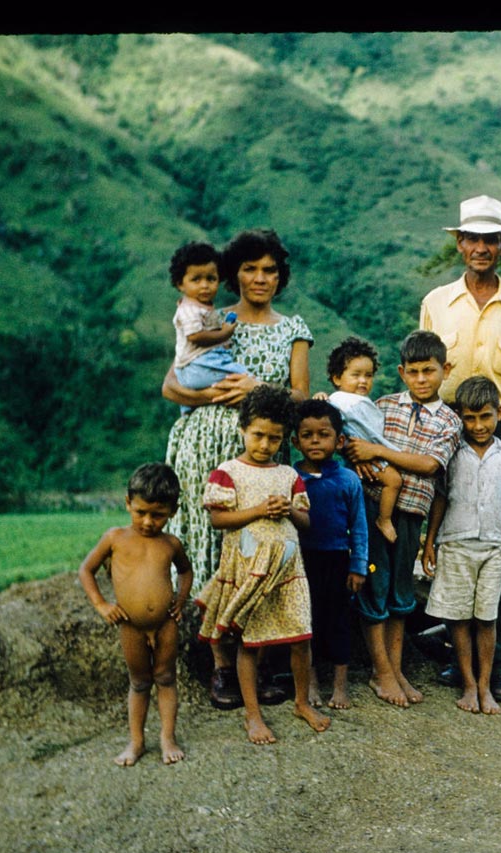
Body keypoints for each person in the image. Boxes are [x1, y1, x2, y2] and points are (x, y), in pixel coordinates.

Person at [160, 228, 313, 710]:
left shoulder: (293, 329)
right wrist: (210, 395)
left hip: (263, 455)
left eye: (269, 270)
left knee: (261, 550)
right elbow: (170, 385)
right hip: (204, 445)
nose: (259, 278)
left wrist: (256, 387)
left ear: (281, 276)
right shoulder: (212, 320)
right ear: (234, 274)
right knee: (212, 544)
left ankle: (260, 659)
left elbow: (303, 396)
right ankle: (222, 667)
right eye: (249, 268)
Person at [420, 195, 501, 702]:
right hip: (448, 426)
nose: (480, 248)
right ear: (459, 243)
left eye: (490, 239)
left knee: (500, 546)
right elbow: (423, 373)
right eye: (472, 238)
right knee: (452, 541)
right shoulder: (436, 301)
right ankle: (458, 661)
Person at [194, 385, 330, 744]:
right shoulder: (228, 472)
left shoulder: (287, 475)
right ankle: (252, 715)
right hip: (249, 571)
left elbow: (306, 522)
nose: (265, 445)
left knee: (301, 637)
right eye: (258, 435)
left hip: (288, 573)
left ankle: (302, 701)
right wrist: (258, 510)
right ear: (242, 429)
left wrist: (290, 511)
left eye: (274, 438)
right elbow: (218, 520)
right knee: (250, 643)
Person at [342, 330, 462, 709]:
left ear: (446, 369)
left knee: (399, 593)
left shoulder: (449, 421)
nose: (422, 379)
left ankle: (395, 669)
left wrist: (376, 450)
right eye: (413, 372)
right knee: (375, 587)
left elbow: (429, 465)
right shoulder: (381, 405)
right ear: (401, 372)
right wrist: (359, 454)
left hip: (410, 516)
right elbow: (348, 437)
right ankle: (382, 671)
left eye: (429, 371)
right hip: (373, 511)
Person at [421, 376, 501, 715]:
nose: (478, 426)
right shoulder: (451, 454)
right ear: (459, 415)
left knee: (487, 618)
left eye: (485, 417)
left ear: (500, 413)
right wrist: (430, 542)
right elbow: (439, 499)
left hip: (495, 547)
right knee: (459, 617)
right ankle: (468, 684)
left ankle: (485, 686)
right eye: (470, 418)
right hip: (455, 543)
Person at [78, 462, 193, 766]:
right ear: (128, 503)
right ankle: (137, 741)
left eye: (158, 515)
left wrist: (181, 599)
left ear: (173, 510)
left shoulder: (171, 543)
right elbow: (86, 570)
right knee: (139, 682)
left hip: (166, 623)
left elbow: (186, 571)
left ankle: (167, 738)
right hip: (130, 625)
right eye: (140, 512)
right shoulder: (115, 538)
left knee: (166, 678)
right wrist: (102, 604)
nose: (147, 522)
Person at [292, 398, 368, 710]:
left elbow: (359, 526)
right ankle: (309, 682)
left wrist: (358, 566)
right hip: (300, 562)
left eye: (323, 434)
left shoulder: (348, 479)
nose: (315, 441)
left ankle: (340, 686)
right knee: (304, 622)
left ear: (338, 441)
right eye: (307, 435)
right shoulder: (290, 478)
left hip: (337, 560)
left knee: (338, 622)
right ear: (295, 441)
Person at [317, 336, 403, 545]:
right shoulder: (339, 401)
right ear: (337, 378)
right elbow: (327, 419)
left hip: (368, 454)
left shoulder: (361, 402)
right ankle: (384, 520)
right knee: (394, 480)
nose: (363, 381)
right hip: (359, 457)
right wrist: (319, 397)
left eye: (368, 375)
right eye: (356, 375)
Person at [167, 241, 250, 398]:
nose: (205, 285)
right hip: (197, 365)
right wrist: (224, 333)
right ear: (180, 284)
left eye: (211, 279)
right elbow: (196, 336)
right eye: (196, 280)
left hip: (197, 365)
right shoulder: (189, 309)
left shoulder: (201, 307)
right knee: (243, 377)